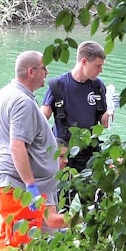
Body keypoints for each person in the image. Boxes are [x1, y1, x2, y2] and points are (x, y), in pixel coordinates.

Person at [0, 51, 67, 251]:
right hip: (17, 186)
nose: (47, 73)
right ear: (31, 72)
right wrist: (31, 186)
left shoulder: (5, 93)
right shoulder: (21, 101)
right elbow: (17, 145)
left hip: (7, 183)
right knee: (21, 245)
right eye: (44, 68)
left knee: (11, 237)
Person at [40, 40, 111, 174]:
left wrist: (111, 111)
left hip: (90, 154)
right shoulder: (58, 85)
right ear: (84, 62)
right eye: (98, 66)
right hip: (64, 155)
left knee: (94, 195)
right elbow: (41, 120)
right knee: (63, 195)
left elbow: (104, 122)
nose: (100, 70)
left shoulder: (97, 86)